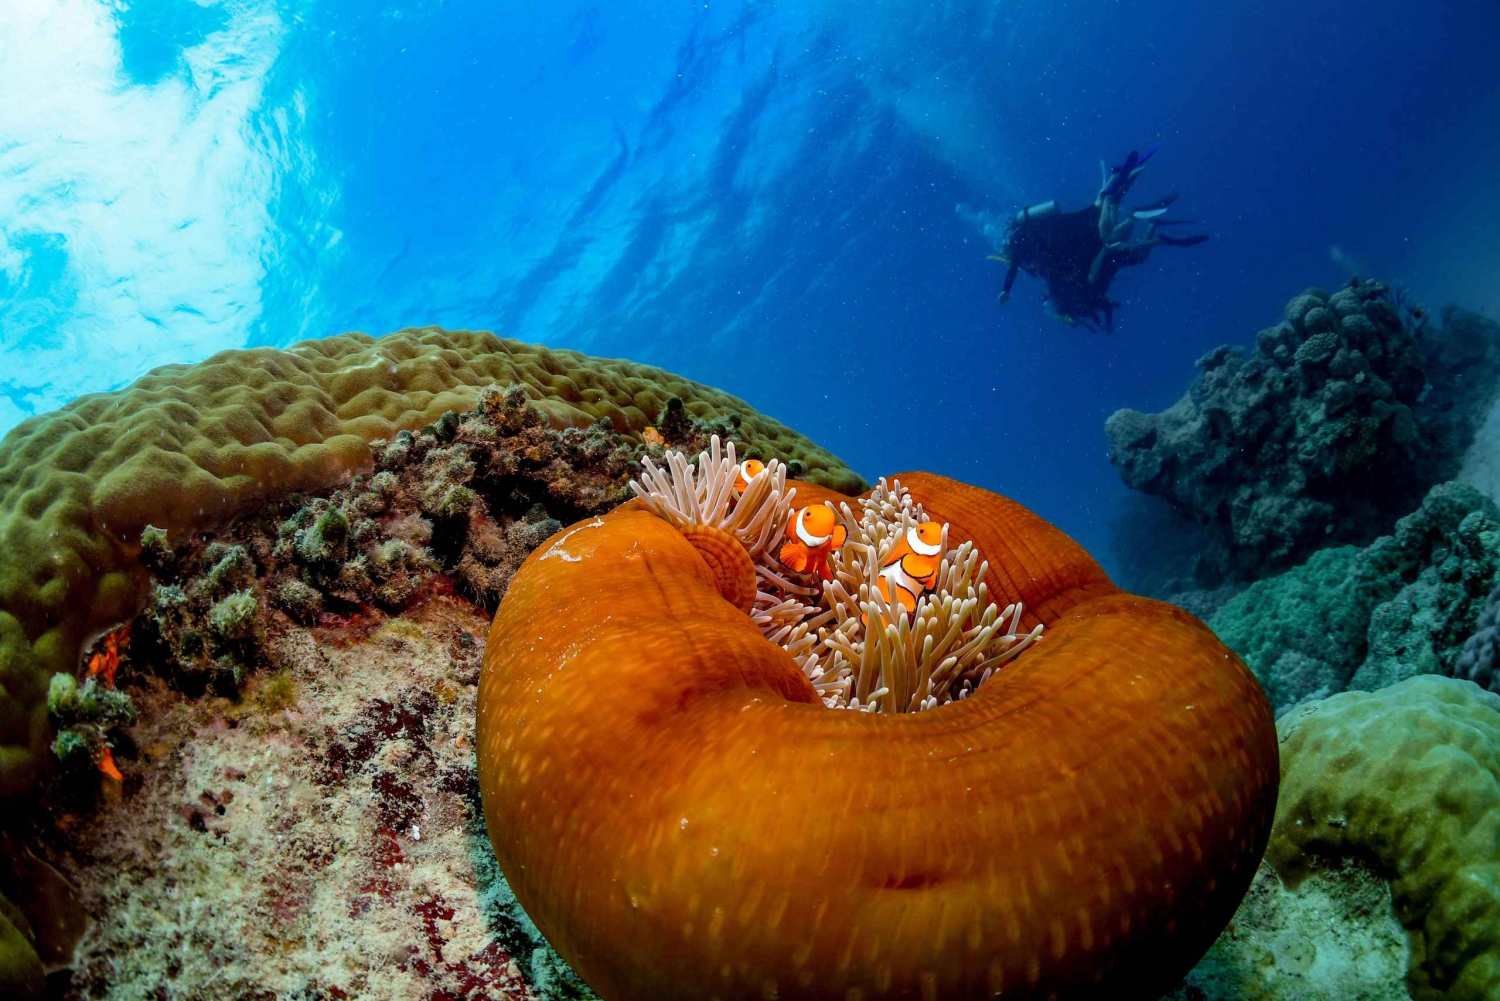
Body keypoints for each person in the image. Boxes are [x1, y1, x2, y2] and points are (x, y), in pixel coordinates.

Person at [993, 149, 1208, 331]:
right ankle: (1119, 181)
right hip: (1071, 233)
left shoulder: (1024, 251)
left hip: (1073, 240)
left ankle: (1131, 211)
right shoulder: (1036, 243)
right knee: (1100, 210)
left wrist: (1006, 290)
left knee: (1108, 235)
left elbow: (1014, 268)